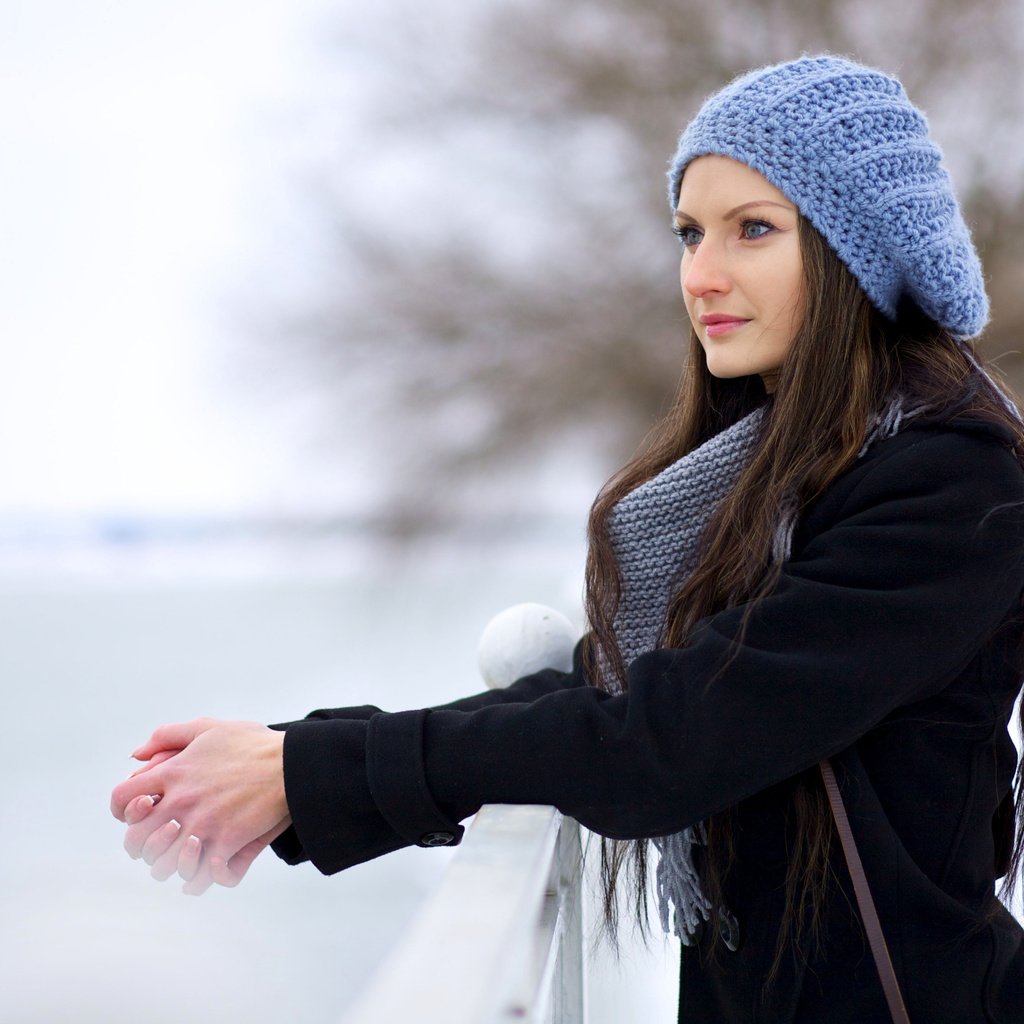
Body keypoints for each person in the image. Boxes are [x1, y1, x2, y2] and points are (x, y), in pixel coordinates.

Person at [110, 55, 1024, 1022]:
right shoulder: (788, 472)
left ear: (859, 252)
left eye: (754, 230)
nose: (700, 276)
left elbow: (663, 743)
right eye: (688, 233)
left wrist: (310, 773)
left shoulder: (951, 481)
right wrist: (295, 760)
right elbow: (616, 687)